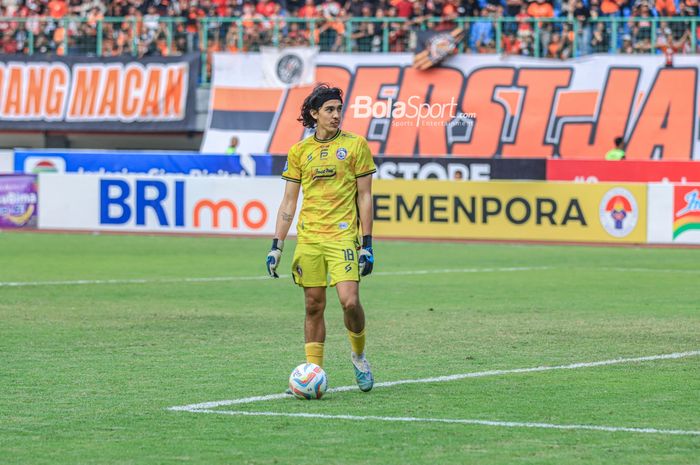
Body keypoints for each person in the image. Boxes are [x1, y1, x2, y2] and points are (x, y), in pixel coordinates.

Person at [266, 84, 376, 392]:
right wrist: (277, 245)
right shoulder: (300, 151)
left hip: (343, 238)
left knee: (349, 301)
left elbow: (365, 197)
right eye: (329, 110)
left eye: (339, 109)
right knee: (313, 306)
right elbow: (289, 202)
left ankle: (358, 356)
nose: (336, 115)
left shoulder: (356, 146)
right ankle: (312, 372)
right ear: (314, 114)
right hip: (310, 238)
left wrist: (367, 244)